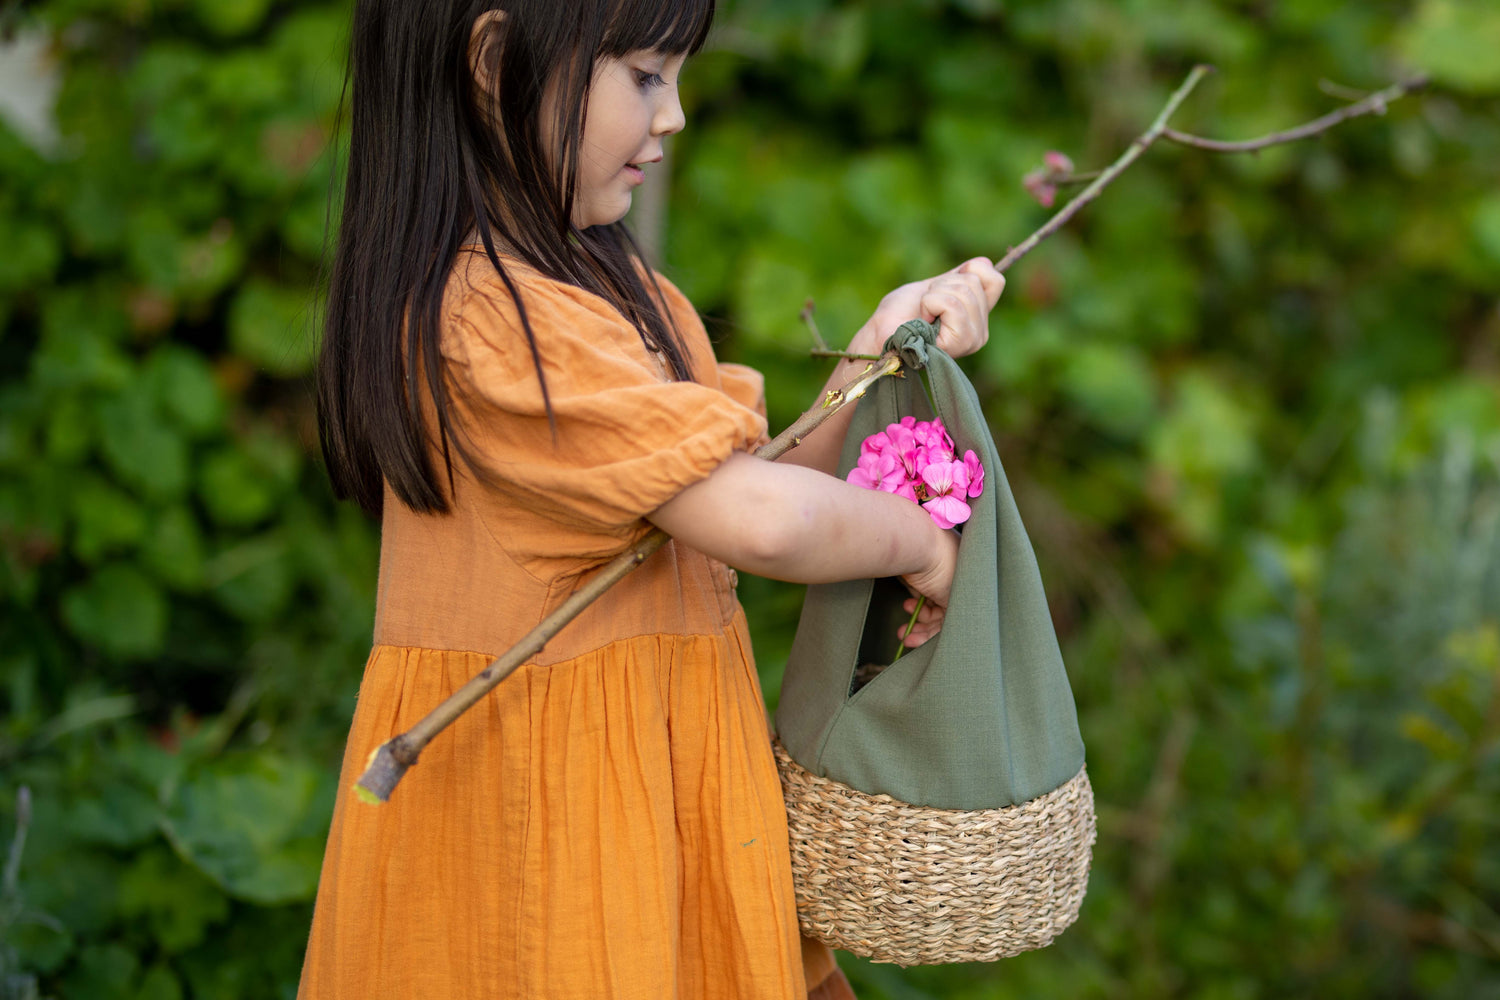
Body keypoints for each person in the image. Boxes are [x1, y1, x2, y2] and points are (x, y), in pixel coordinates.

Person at [299, 1, 1005, 998]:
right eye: (643, 75)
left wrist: (876, 352)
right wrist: (918, 543)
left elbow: (743, 495)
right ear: (497, 60)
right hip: (551, 854)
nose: (673, 115)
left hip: (659, 813)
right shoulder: (491, 324)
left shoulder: (611, 292)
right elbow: (758, 522)